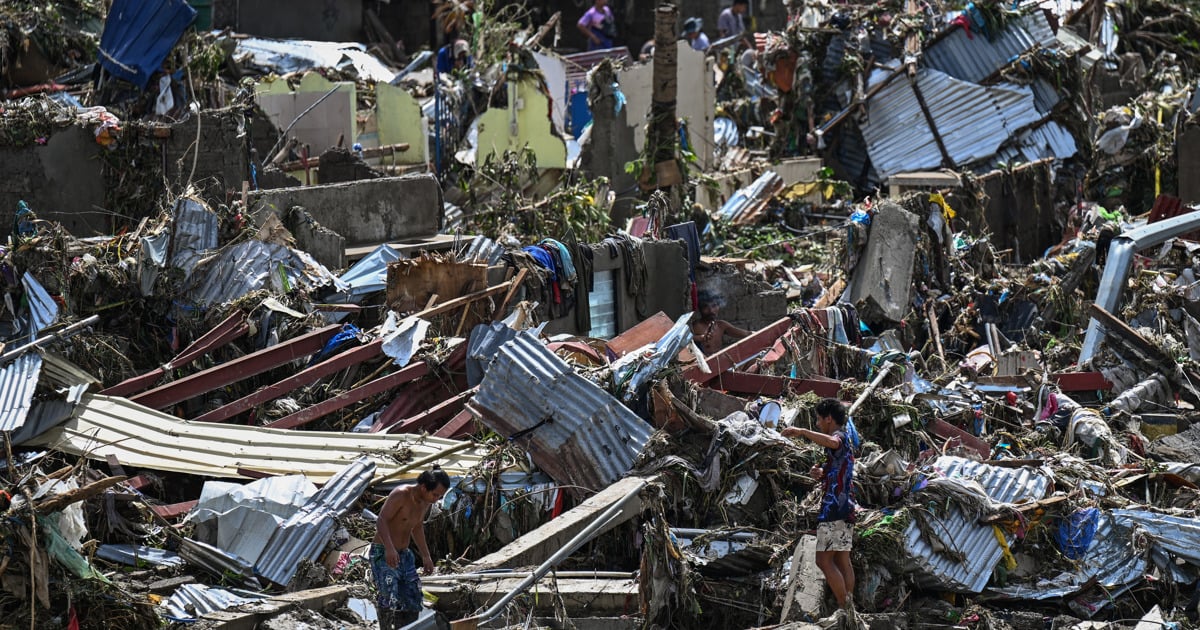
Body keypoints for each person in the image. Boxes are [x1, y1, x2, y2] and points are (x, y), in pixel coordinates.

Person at [781, 398, 858, 623]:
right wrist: (821, 472)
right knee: (843, 559)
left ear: (828, 419)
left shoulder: (841, 437)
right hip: (845, 505)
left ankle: (847, 610)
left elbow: (834, 442)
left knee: (823, 561)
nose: (816, 423)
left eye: (817, 419)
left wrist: (802, 431)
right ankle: (848, 603)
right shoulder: (843, 443)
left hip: (835, 507)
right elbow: (836, 466)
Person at [372, 466, 451, 629]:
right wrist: (389, 548)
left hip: (404, 554)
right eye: (435, 494)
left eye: (439, 496)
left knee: (412, 597)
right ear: (423, 487)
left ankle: (407, 627)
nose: (436, 499)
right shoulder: (401, 494)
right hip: (383, 552)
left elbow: (417, 527)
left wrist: (426, 556)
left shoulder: (426, 502)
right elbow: (381, 520)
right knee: (387, 597)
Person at [691, 291, 750, 355]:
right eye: (705, 307)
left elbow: (746, 334)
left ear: (718, 306)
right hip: (703, 363)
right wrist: (701, 338)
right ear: (700, 309)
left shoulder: (721, 325)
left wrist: (760, 334)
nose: (711, 310)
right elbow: (684, 342)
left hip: (720, 362)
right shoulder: (696, 326)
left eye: (714, 306)